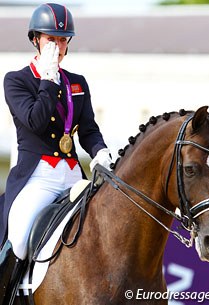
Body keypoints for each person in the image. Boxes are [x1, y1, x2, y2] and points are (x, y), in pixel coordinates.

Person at [0, 3, 112, 304]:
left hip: (74, 175)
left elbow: (87, 129)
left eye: (63, 40)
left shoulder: (77, 83)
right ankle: (10, 296)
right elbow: (36, 120)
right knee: (20, 236)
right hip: (37, 177)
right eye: (51, 39)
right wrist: (47, 81)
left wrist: (101, 152)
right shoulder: (16, 80)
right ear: (36, 39)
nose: (58, 46)